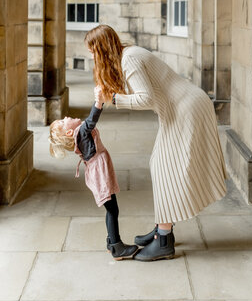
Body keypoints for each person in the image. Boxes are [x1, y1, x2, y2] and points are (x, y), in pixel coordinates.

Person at [85, 24, 228, 262]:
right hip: (178, 108)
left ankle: (163, 239)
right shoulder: (126, 56)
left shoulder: (129, 59)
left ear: (101, 49)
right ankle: (163, 230)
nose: (90, 56)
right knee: (159, 164)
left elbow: (146, 98)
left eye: (92, 50)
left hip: (186, 108)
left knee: (163, 166)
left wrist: (113, 98)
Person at [49, 84, 138, 260]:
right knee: (112, 209)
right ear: (69, 131)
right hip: (100, 173)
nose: (65, 117)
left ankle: (111, 241)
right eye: (62, 121)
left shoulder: (78, 134)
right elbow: (91, 120)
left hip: (98, 171)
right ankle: (116, 246)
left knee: (111, 208)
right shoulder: (80, 132)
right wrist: (98, 101)